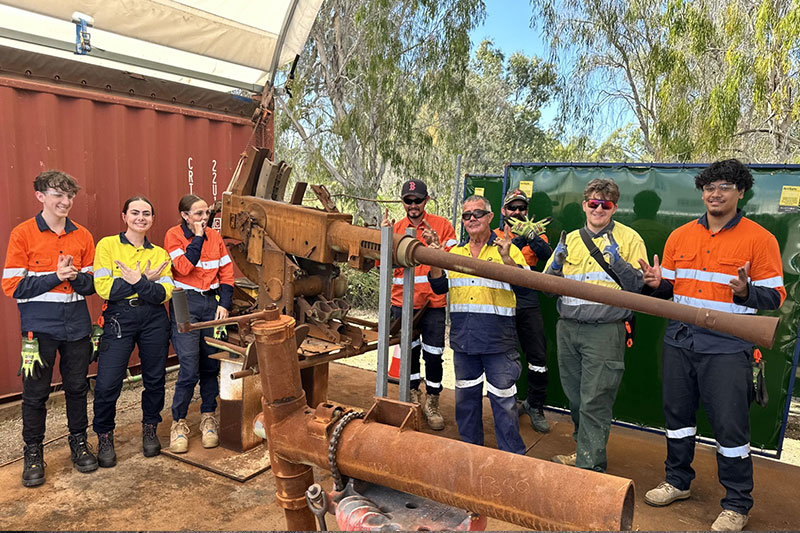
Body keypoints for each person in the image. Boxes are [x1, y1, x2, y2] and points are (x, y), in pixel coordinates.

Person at [639, 159, 785, 532]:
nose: (715, 194)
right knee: (677, 418)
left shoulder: (759, 239)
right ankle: (677, 481)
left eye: (724, 187)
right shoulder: (680, 236)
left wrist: (746, 291)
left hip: (728, 346)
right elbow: (671, 288)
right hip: (680, 339)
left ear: (740, 192)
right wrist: (657, 283)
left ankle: (736, 504)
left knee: (730, 427)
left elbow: (776, 298)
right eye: (709, 187)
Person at [543, 178, 647, 472]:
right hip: (568, 328)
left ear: (615, 208)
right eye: (593, 203)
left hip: (605, 331)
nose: (599, 209)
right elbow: (549, 288)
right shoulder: (570, 240)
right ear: (584, 205)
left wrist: (620, 265)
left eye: (606, 204)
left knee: (595, 400)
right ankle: (583, 450)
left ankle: (591, 466)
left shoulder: (629, 239)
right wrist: (554, 267)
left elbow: (639, 290)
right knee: (576, 399)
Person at [3, 170, 98, 486]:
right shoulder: (23, 234)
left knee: (76, 387)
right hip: (37, 331)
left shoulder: (83, 235)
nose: (66, 201)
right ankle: (33, 453)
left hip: (77, 328)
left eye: (70, 195)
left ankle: (79, 444)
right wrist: (56, 277)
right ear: (40, 196)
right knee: (35, 394)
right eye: (58, 194)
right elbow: (12, 286)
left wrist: (74, 278)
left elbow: (91, 285)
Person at [428, 195, 527, 454]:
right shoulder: (456, 253)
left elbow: (525, 286)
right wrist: (437, 261)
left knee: (504, 405)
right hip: (465, 342)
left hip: (498, 343)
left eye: (477, 214)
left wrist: (506, 259)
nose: (471, 219)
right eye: (466, 215)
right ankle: (471, 454)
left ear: (490, 217)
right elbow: (439, 287)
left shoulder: (507, 249)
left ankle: (513, 459)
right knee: (467, 403)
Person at [92, 196, 173, 467]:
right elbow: (105, 289)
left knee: (154, 379)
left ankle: (150, 428)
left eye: (147, 213)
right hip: (119, 318)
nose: (141, 217)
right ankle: (104, 435)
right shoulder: (107, 245)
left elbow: (163, 294)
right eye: (135, 212)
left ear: (152, 219)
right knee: (107, 383)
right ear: (124, 216)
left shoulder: (160, 254)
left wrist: (136, 281)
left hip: (154, 319)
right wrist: (144, 282)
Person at [382, 179, 457, 430]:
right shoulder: (395, 229)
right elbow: (381, 265)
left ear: (426, 200)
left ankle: (432, 401)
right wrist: (384, 239)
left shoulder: (442, 226)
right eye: (408, 201)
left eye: (417, 200)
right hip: (402, 304)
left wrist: (435, 248)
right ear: (402, 202)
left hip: (433, 305)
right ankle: (412, 396)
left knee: (434, 356)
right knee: (409, 354)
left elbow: (453, 262)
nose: (413, 205)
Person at [165, 194, 234, 452]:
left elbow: (227, 273)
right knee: (189, 367)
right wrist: (197, 236)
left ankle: (208, 417)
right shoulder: (173, 236)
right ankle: (179, 422)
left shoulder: (215, 238)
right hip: (185, 304)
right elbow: (183, 267)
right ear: (184, 216)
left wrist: (224, 303)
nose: (204, 218)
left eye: (206, 213)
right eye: (198, 214)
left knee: (209, 364)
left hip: (211, 304)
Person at [494, 188, 552, 433]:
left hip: (528, 298)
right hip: (501, 296)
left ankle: (535, 405)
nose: (517, 212)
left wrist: (532, 238)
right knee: (503, 354)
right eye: (512, 208)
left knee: (537, 356)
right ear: (503, 211)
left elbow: (549, 259)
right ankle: (508, 403)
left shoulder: (540, 234)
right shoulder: (494, 234)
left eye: (522, 208)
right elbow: (494, 261)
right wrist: (517, 239)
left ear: (528, 210)